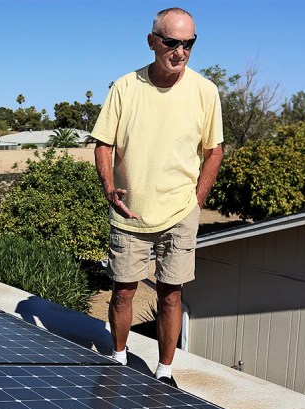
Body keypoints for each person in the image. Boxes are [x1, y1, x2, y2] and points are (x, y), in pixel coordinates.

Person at [91, 7, 224, 387]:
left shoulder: (205, 91)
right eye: (171, 42)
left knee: (170, 295)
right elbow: (103, 144)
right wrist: (109, 188)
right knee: (123, 293)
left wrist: (197, 199)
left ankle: (164, 371)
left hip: (180, 211)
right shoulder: (125, 87)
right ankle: (118, 359)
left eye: (189, 44)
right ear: (152, 42)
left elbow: (214, 150)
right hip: (129, 211)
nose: (180, 52)